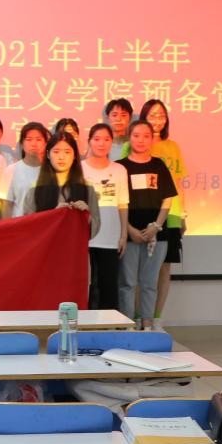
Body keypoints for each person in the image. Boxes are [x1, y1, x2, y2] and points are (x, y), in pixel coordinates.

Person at [117, 120, 177, 330]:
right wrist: (129, 230)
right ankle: (127, 323)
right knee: (127, 283)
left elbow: (168, 199)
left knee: (149, 281)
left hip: (156, 234)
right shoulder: (120, 167)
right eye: (136, 135)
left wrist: (156, 226)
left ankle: (148, 323)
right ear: (129, 138)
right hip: (129, 233)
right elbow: (117, 202)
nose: (141, 140)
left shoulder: (159, 165)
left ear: (152, 139)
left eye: (145, 136)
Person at [140, 98, 188, 329]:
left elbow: (178, 183)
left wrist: (183, 214)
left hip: (172, 212)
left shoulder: (173, 147)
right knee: (141, 267)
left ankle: (157, 318)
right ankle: (141, 318)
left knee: (164, 267)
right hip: (146, 211)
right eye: (152, 115)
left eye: (161, 115)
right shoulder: (138, 144)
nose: (157, 119)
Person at [82, 123, 130, 310]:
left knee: (108, 284)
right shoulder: (79, 168)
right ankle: (85, 322)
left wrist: (123, 234)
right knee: (87, 285)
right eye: (97, 139)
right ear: (89, 142)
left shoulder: (119, 170)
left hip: (111, 237)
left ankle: (106, 323)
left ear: (112, 142)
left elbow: (123, 204)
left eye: (106, 139)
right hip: (85, 236)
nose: (101, 143)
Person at [22, 132, 100, 240]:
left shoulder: (87, 188)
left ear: (74, 156)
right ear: (48, 155)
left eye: (67, 152)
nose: (61, 157)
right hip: (46, 249)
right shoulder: (35, 189)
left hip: (75, 248)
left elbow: (95, 229)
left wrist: (86, 215)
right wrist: (54, 215)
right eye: (56, 152)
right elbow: (28, 227)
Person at [0, 122, 49, 219]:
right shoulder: (11, 170)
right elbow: (6, 205)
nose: (34, 144)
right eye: (29, 140)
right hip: (20, 224)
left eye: (38, 139)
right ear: (22, 144)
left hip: (46, 225)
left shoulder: (51, 170)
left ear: (45, 143)